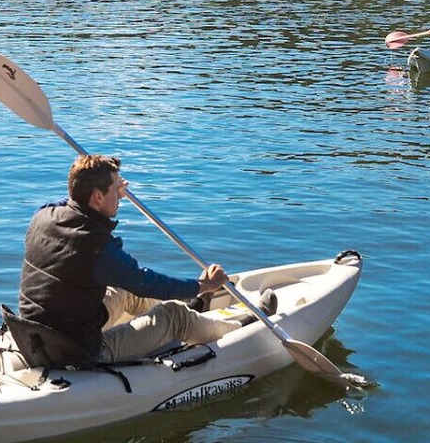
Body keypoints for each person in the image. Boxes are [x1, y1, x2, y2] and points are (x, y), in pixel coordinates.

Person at [18, 154, 275, 365]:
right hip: (75, 350)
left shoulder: (43, 215)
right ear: (97, 197)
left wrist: (110, 184)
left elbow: (73, 199)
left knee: (122, 291)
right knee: (173, 315)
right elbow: (147, 282)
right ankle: (242, 327)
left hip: (39, 333)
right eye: (116, 189)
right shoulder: (97, 248)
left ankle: (193, 308)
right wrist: (203, 286)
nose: (121, 195)